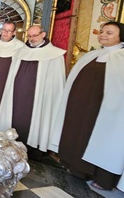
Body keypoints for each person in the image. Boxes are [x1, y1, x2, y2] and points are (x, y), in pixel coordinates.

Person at [50, 21, 124, 191]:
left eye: (109, 33)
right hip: (81, 107)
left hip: (105, 112)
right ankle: (76, 168)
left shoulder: (122, 57)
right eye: (102, 31)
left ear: (121, 36)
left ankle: (102, 178)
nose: (103, 35)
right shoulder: (92, 55)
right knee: (79, 135)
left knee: (101, 141)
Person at [0, 25, 66, 160]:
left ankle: (32, 150)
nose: (32, 39)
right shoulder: (20, 51)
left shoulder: (55, 54)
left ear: (43, 34)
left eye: (35, 36)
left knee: (35, 121)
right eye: (29, 36)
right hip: (16, 94)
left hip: (39, 97)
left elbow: (55, 82)